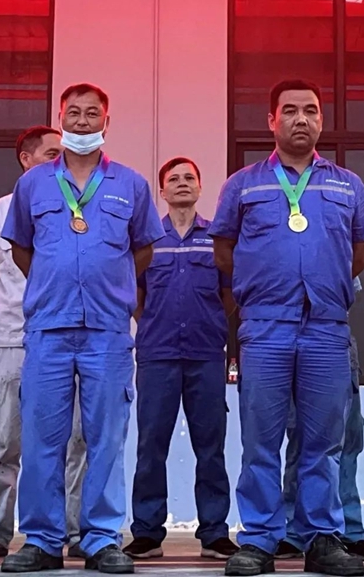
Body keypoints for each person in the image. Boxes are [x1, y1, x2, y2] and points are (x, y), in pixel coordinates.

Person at [209, 79, 364, 577]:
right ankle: (259, 540)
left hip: (326, 326)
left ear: (322, 120)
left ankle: (321, 539)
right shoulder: (243, 185)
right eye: (289, 110)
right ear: (272, 121)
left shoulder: (348, 185)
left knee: (323, 441)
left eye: (310, 110)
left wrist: (323, 286)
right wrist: (264, 286)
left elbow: (359, 255)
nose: (300, 119)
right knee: (261, 440)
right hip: (265, 327)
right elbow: (225, 252)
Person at [0, 83, 165, 574]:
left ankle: (100, 539)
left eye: (93, 114)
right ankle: (42, 540)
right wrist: (54, 283)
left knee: (105, 438)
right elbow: (22, 247)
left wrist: (108, 284)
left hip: (107, 330)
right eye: (74, 113)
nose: (83, 121)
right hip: (49, 328)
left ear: (106, 122)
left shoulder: (131, 184)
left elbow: (143, 250)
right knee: (42, 438)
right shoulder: (33, 184)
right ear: (62, 118)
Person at [0, 126, 88, 560]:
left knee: (76, 438)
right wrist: (20, 310)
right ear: (26, 159)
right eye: (51, 154)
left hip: (69, 334)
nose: (60, 160)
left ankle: (76, 531)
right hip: (15, 337)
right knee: (9, 438)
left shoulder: (78, 206)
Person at [124, 157, 238, 561]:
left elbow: (229, 295)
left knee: (211, 447)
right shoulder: (148, 239)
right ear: (162, 191)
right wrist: (156, 324)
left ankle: (215, 533)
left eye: (190, 177)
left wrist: (208, 323)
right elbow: (135, 295)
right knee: (151, 446)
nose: (182, 183)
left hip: (206, 355)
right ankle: (147, 533)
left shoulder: (216, 238)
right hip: (157, 355)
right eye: (173, 179)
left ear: (200, 187)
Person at [277, 277, 364, 563]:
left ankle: (349, 531)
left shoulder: (339, 251)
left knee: (346, 444)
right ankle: (293, 531)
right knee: (300, 442)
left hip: (335, 344)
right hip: (290, 343)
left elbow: (350, 289)